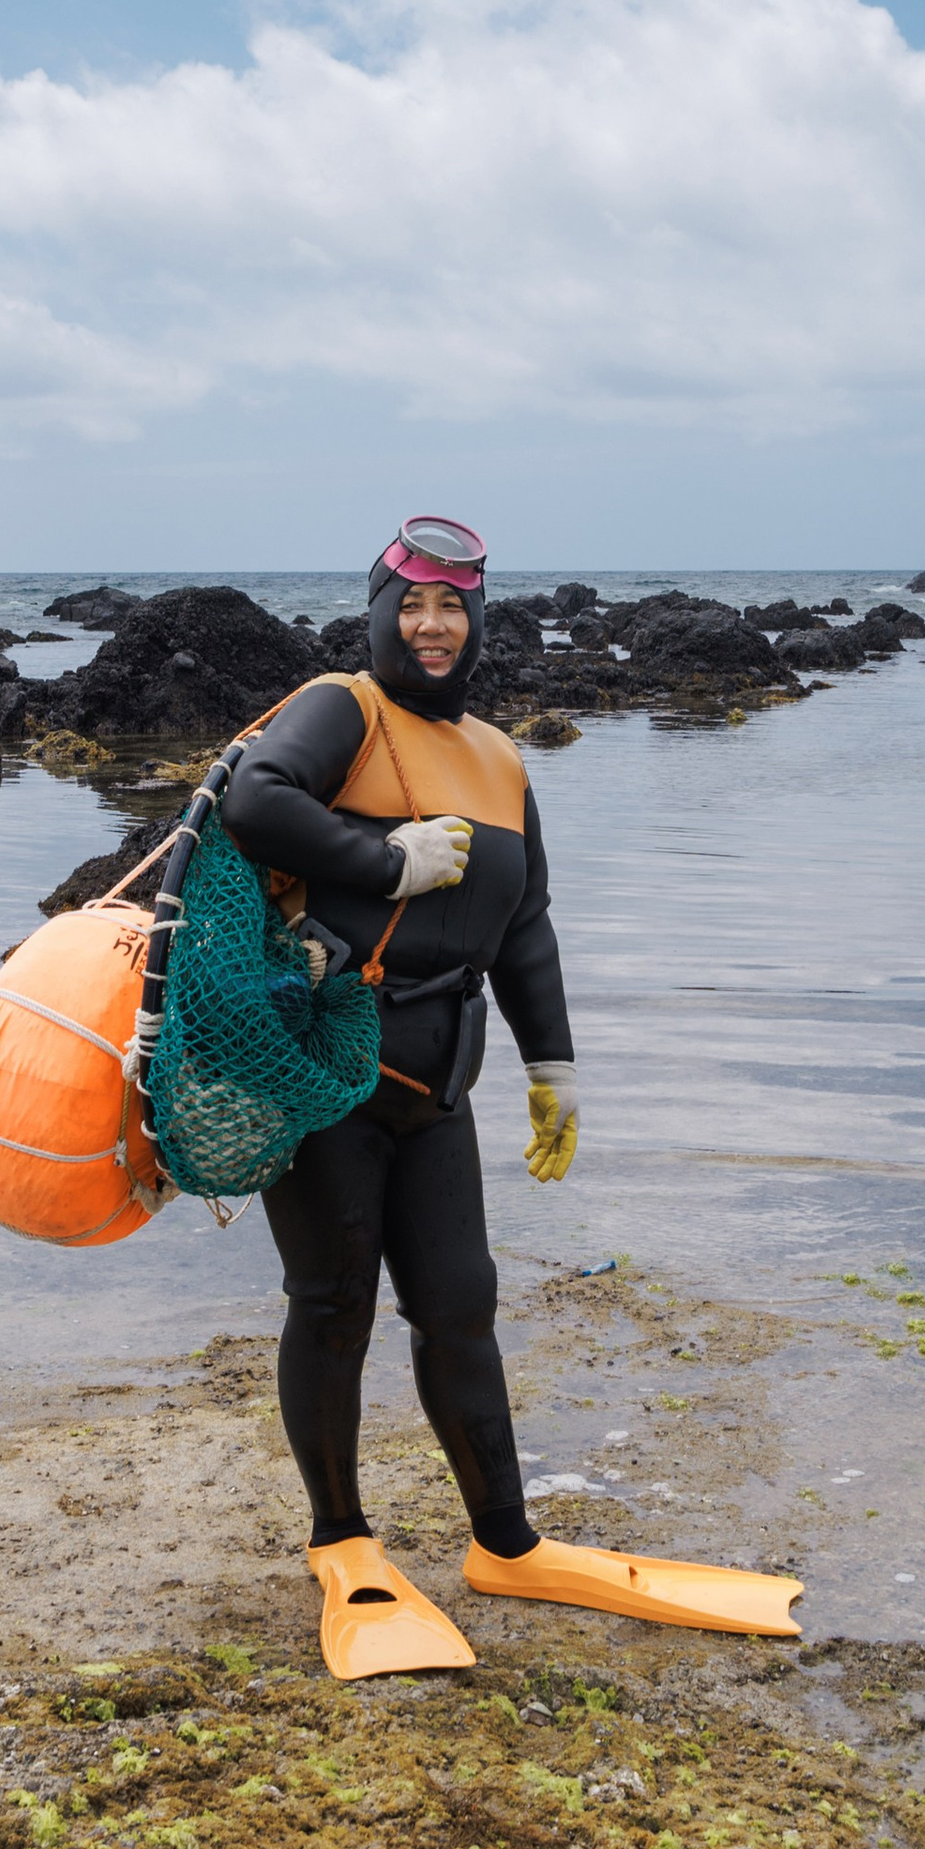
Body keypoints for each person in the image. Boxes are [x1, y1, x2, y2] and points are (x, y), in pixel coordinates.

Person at [221, 514, 801, 1680]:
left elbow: (525, 922)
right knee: (333, 1303)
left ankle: (505, 1542)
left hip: (440, 1081)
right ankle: (342, 1543)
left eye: (455, 608)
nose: (433, 627)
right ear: (378, 611)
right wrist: (385, 860)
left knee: (462, 1305)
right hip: (326, 1061)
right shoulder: (343, 705)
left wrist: (556, 1068)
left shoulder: (497, 755)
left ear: (479, 619)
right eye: (412, 605)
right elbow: (256, 798)